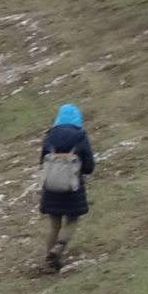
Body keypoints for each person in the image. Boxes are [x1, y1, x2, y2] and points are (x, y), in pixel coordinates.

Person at [37, 103, 96, 272]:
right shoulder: (80, 136)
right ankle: (59, 248)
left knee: (54, 224)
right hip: (72, 187)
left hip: (51, 187)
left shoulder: (49, 136)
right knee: (72, 219)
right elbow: (89, 166)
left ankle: (49, 262)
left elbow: (42, 162)